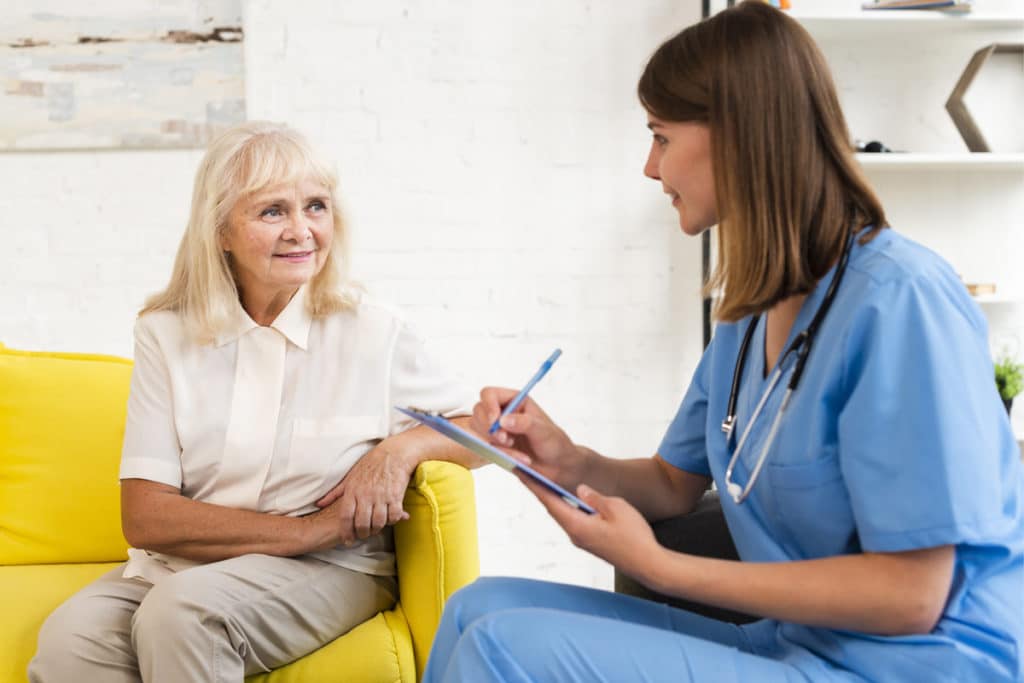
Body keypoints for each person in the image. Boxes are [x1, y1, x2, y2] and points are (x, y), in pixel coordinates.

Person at [423, 3, 1024, 682]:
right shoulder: (752, 309)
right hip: (799, 645)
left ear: (738, 137)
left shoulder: (901, 301)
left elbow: (913, 596)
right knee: (476, 607)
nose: (650, 167)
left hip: (921, 666)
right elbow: (672, 484)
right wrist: (566, 459)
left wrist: (660, 566)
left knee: (500, 648)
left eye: (661, 137)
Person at [29, 121, 480, 682]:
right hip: (190, 564)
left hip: (331, 567)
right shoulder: (165, 333)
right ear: (220, 230)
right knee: (70, 643)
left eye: (316, 207)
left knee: (183, 615)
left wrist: (399, 451)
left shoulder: (374, 330)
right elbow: (145, 516)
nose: (302, 231)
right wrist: (306, 530)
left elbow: (485, 431)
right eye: (272, 212)